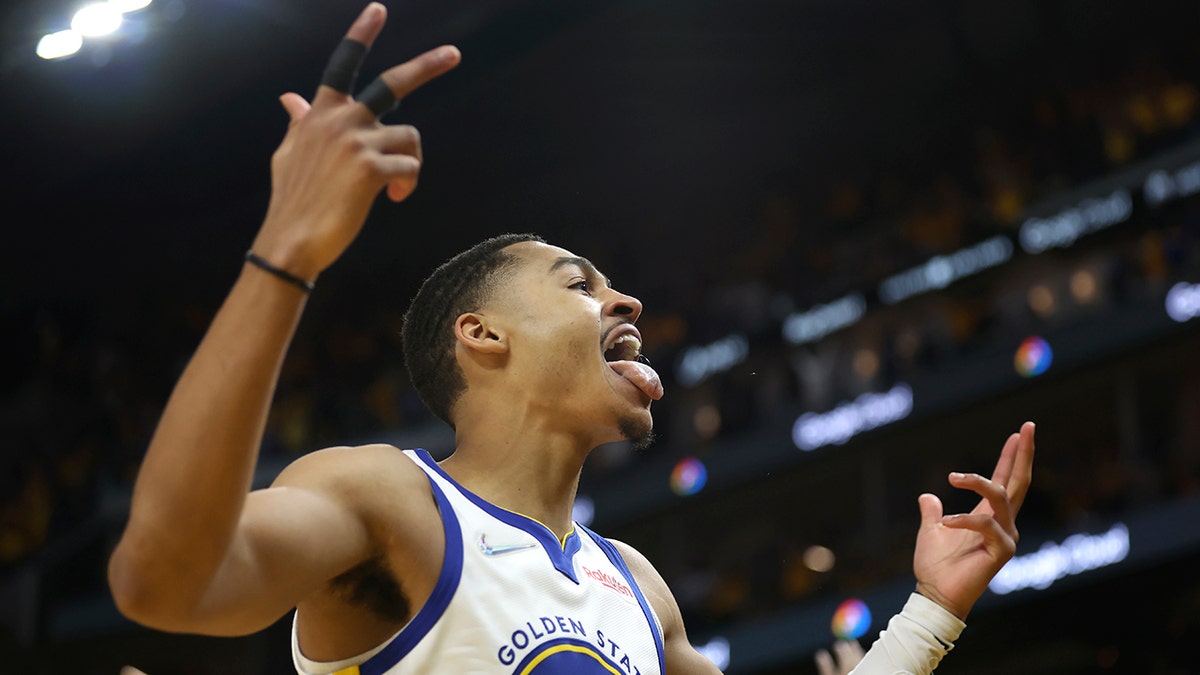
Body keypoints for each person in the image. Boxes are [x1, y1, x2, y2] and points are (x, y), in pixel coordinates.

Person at [106, 4, 1036, 674]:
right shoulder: (385, 499)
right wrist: (285, 252)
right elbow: (162, 582)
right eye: (578, 283)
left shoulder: (636, 587)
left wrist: (932, 611)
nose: (625, 300)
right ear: (482, 336)